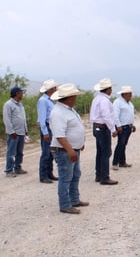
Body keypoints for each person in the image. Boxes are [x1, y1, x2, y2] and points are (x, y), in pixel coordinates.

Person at [49, 83, 88, 214]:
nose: (76, 98)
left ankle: (74, 199)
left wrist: (79, 143)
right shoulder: (58, 113)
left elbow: (74, 128)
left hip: (72, 149)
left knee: (75, 175)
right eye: (74, 96)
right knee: (65, 177)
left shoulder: (69, 109)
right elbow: (59, 135)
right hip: (64, 151)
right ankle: (65, 205)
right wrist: (71, 150)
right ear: (69, 97)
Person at [90, 78, 118, 185]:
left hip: (97, 127)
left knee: (100, 152)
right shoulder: (104, 101)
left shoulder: (96, 98)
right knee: (106, 152)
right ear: (107, 89)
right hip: (102, 128)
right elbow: (106, 116)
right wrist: (113, 129)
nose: (111, 90)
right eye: (110, 88)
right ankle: (104, 177)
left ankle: (99, 174)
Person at [37, 79, 60, 184]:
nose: (56, 89)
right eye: (54, 88)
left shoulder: (49, 100)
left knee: (51, 152)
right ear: (51, 89)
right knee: (46, 152)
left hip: (51, 127)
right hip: (47, 128)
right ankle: (43, 175)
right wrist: (45, 132)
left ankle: (49, 173)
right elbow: (42, 118)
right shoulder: (43, 101)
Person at [3, 86, 28, 177]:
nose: (22, 94)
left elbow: (23, 118)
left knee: (19, 152)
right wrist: (11, 131)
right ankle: (9, 170)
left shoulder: (20, 104)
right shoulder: (8, 104)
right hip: (14, 133)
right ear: (17, 93)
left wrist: (26, 130)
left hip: (21, 132)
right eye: (21, 92)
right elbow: (7, 119)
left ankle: (17, 168)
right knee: (11, 152)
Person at [112, 86, 136, 171]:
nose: (131, 95)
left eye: (131, 94)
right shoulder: (117, 102)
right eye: (129, 94)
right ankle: (115, 163)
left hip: (128, 126)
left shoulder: (130, 104)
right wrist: (118, 125)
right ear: (124, 94)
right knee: (120, 144)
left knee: (123, 145)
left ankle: (122, 162)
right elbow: (115, 115)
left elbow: (131, 115)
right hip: (122, 127)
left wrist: (133, 125)